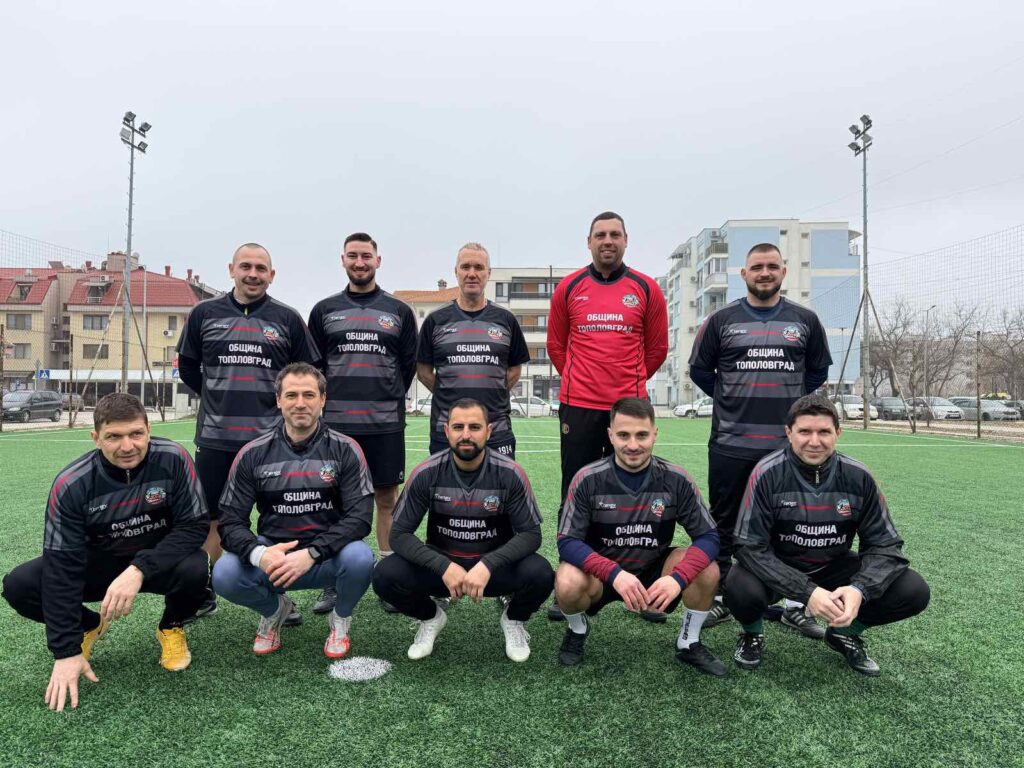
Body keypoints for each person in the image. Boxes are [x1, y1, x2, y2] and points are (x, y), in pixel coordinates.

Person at [1, 393, 209, 711]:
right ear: (96, 438)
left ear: (148, 431)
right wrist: (65, 651)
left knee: (196, 567)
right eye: (114, 436)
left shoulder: (174, 458)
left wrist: (139, 569)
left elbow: (193, 527)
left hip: (156, 562)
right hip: (100, 564)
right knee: (20, 585)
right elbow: (61, 568)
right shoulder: (71, 484)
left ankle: (171, 625)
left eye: (136, 434)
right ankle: (88, 625)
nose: (127, 446)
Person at [726, 394, 930, 675]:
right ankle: (752, 633)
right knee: (738, 585)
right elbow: (748, 547)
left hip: (832, 566)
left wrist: (859, 589)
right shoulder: (766, 473)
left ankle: (844, 632)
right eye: (804, 432)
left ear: (838, 433)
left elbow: (886, 545)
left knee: (912, 590)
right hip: (779, 567)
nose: (814, 441)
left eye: (824, 432)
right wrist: (807, 592)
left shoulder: (858, 476)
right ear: (789, 433)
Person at [687, 242, 832, 633]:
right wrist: (730, 397)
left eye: (771, 266)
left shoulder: (805, 320)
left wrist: (791, 402)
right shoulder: (721, 321)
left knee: (791, 523)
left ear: (784, 271)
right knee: (724, 522)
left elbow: (816, 372)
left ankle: (794, 602)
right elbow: (700, 371)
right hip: (731, 443)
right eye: (756, 267)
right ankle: (722, 597)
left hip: (787, 449)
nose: (764, 273)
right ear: (744, 274)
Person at [177, 242, 320, 620]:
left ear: (271, 275)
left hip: (272, 441)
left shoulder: (288, 318)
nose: (253, 274)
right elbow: (189, 368)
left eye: (260, 268)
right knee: (210, 516)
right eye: (246, 266)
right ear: (232, 269)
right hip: (216, 437)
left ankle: (278, 594)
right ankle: (205, 590)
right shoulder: (204, 314)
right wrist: (218, 396)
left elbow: (306, 373)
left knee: (277, 516)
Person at [546, 211, 668, 622]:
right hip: (579, 404)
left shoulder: (646, 288)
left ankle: (640, 585)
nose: (608, 241)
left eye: (615, 234)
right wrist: (582, 380)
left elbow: (657, 349)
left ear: (626, 240)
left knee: (636, 494)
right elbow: (557, 346)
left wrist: (626, 384)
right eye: (600, 235)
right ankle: (572, 583)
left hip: (629, 408)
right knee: (575, 491)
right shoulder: (569, 287)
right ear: (589, 242)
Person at [212, 363, 375, 657]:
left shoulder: (346, 449)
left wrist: (312, 553)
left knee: (361, 558)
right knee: (225, 573)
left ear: (322, 399)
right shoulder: (252, 453)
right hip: (275, 558)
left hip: (327, 557)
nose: (300, 403)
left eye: (309, 395)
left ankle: (340, 617)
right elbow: (229, 521)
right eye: (291, 395)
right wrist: (260, 554)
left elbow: (360, 518)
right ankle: (275, 610)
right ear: (278, 400)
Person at [372, 398, 553, 662]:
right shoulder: (427, 472)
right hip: (443, 571)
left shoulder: (510, 473)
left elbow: (531, 535)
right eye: (458, 427)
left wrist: (488, 564)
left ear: (488, 431)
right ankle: (431, 617)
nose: (466, 435)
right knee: (384, 575)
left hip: (493, 571)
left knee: (542, 574)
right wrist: (443, 566)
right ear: (447, 431)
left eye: (474, 427)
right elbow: (399, 535)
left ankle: (514, 620)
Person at [553, 397, 725, 676]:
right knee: (567, 580)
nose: (633, 445)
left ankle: (689, 641)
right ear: (610, 435)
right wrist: (614, 574)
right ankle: (578, 629)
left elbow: (709, 537)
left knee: (708, 569)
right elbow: (567, 542)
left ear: (655, 433)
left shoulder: (676, 478)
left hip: (655, 572)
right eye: (623, 435)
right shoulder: (587, 478)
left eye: (641, 435)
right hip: (603, 574)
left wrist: (677, 578)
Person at [307, 232, 417, 615]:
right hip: (335, 427)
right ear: (343, 260)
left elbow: (407, 366)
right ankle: (332, 581)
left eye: (366, 256)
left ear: (377, 261)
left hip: (384, 424)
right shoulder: (324, 311)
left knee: (387, 500)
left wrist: (384, 395)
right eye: (353, 256)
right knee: (334, 502)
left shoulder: (398, 311)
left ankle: (387, 581)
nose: (359, 262)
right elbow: (315, 369)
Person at [416, 242, 530, 458]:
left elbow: (515, 370)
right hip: (446, 428)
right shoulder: (435, 320)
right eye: (465, 267)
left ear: (488, 273)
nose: (471, 274)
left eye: (478, 267)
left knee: (500, 480)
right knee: (444, 481)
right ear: (456, 272)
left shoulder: (506, 320)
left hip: (496, 428)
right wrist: (448, 393)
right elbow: (423, 372)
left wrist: (493, 393)